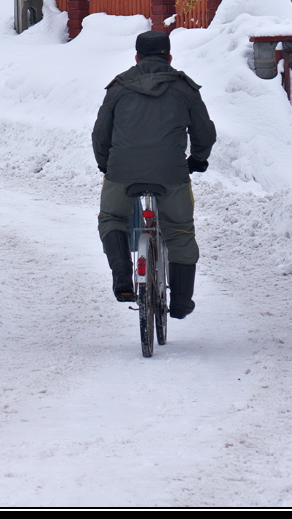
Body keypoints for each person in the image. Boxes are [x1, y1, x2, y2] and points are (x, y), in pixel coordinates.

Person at [92, 30, 216, 318]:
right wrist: (198, 159)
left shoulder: (119, 88)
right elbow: (204, 133)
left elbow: (101, 134)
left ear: (136, 57)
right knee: (180, 230)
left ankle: (122, 276)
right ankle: (182, 302)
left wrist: (105, 164)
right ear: (169, 57)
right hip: (171, 173)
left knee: (112, 218)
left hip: (122, 171)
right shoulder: (184, 88)